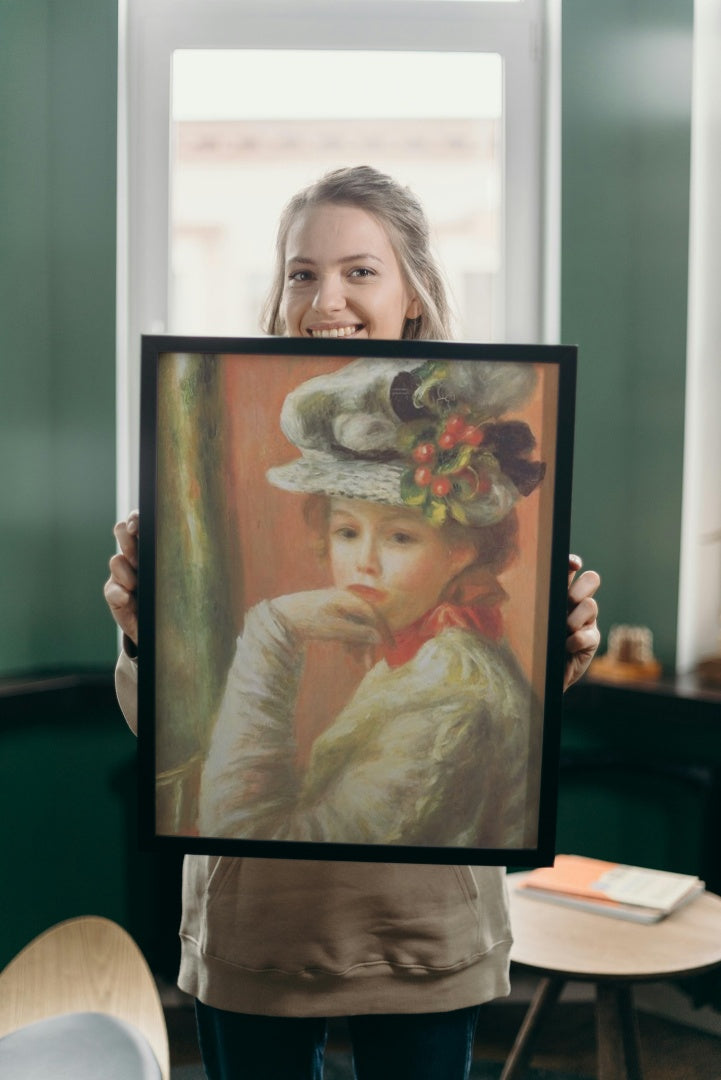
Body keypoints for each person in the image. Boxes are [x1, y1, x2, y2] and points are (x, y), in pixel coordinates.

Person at [105, 166, 601, 1080]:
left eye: (359, 271)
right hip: (253, 930)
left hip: (416, 936)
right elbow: (170, 738)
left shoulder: (450, 674)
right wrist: (144, 637)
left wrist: (554, 649)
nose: (324, 298)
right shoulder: (360, 622)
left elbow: (498, 734)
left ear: (412, 292)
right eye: (301, 272)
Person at [199, 356, 546, 851]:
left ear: (461, 551)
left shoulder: (450, 700)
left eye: (400, 537)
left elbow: (247, 837)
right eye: (346, 531)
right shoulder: (432, 657)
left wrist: (271, 634)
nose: (364, 563)